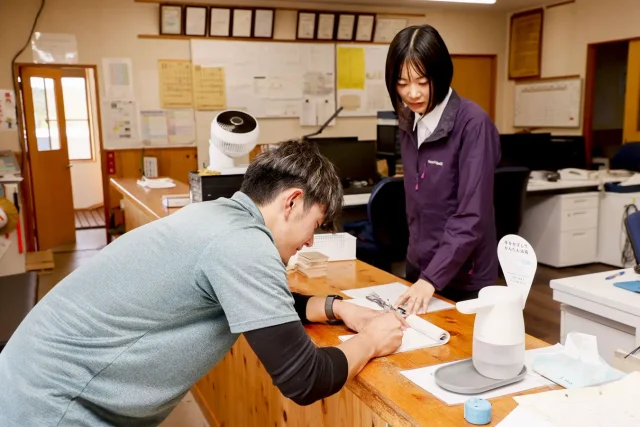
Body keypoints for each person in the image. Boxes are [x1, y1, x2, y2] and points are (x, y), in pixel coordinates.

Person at [0, 139, 407, 427]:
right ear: (291, 202)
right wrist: (373, 340)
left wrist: (340, 308)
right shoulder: (242, 244)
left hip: (34, 378)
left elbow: (267, 304)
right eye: (314, 225)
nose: (309, 242)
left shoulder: (219, 217)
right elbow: (305, 378)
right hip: (53, 406)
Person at [385, 25, 501, 315]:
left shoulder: (473, 125)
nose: (412, 93)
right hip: (422, 269)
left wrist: (431, 278)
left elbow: (472, 215)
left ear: (440, 74)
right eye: (402, 83)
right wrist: (421, 272)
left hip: (465, 276)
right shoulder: (408, 118)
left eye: (422, 81)